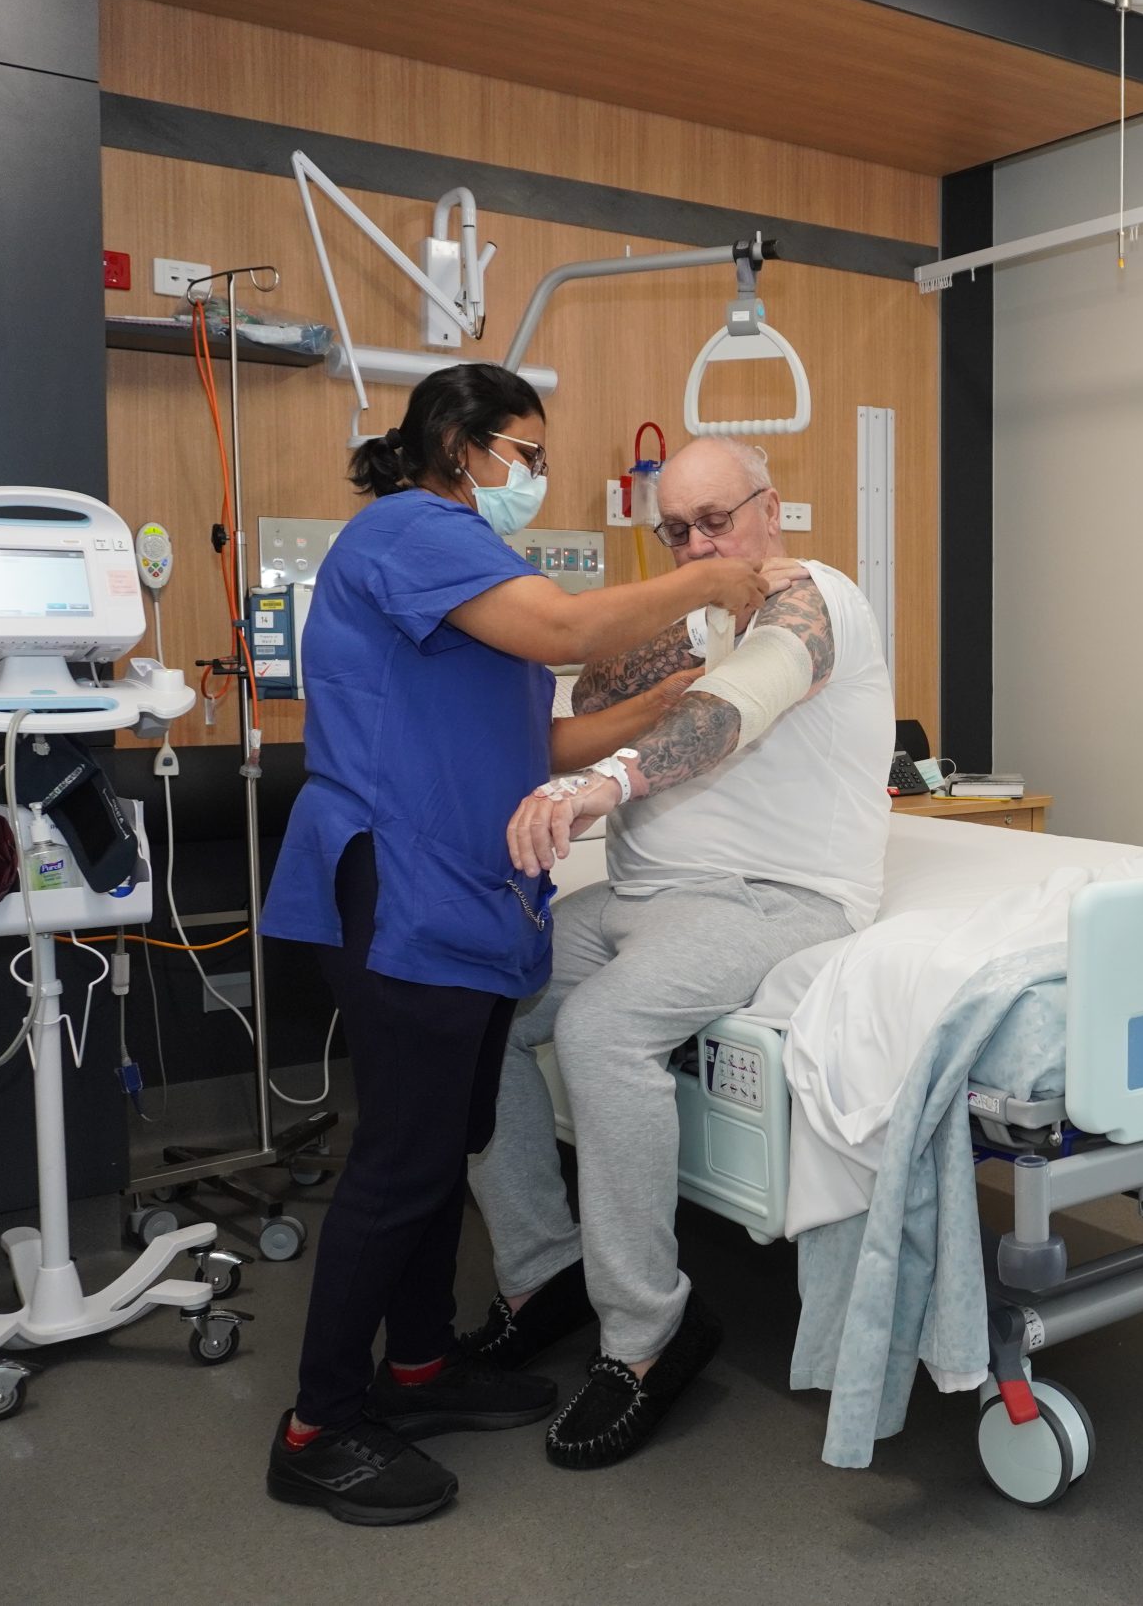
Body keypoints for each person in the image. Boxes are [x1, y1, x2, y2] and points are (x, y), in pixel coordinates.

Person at [257, 365, 791, 1526]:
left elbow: (535, 740)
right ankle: (318, 1425)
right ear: (459, 443)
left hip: (465, 888)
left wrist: (664, 709)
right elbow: (564, 625)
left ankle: (417, 1368)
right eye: (526, 452)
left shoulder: (467, 569)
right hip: (400, 885)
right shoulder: (409, 531)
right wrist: (712, 575)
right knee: (401, 1159)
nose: (535, 477)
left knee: (445, 1141)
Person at [460, 434, 894, 1470]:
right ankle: (542, 1272)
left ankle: (646, 1337)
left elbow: (731, 708)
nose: (701, 544)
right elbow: (601, 681)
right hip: (637, 896)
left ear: (770, 507)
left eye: (718, 521)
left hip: (775, 898)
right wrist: (678, 610)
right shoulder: (699, 612)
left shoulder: (819, 597)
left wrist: (602, 786)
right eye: (676, 531)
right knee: (478, 997)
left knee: (602, 1026)